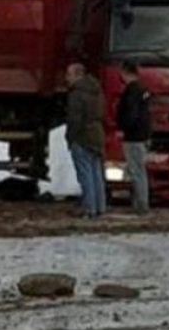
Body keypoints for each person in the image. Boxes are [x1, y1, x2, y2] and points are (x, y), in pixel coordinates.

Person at [65, 63, 106, 218]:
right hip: (97, 134)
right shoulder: (97, 91)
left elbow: (75, 119)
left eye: (69, 74)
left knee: (85, 174)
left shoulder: (76, 94)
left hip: (82, 136)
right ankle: (100, 207)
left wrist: (70, 137)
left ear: (77, 75)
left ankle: (89, 208)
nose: (66, 78)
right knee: (96, 173)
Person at [115, 61, 152, 213]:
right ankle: (141, 202)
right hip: (142, 135)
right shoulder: (143, 90)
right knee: (140, 170)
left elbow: (131, 113)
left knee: (136, 170)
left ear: (125, 72)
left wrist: (124, 129)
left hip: (133, 136)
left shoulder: (131, 91)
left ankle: (141, 204)